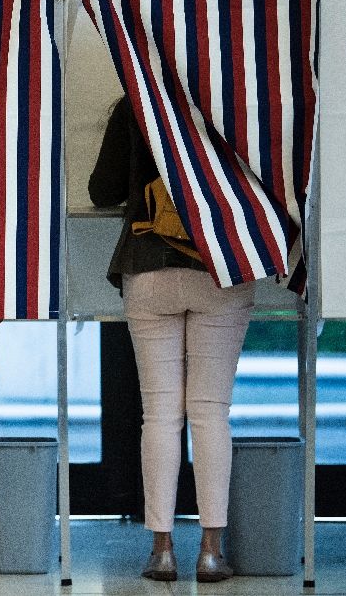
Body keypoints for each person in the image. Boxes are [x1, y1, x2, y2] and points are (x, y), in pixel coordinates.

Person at [89, 97, 254, 583]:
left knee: (159, 413)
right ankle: (210, 552)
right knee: (209, 412)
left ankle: (162, 551)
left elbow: (102, 190)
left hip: (147, 264)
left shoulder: (136, 103)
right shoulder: (236, 98)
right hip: (221, 265)